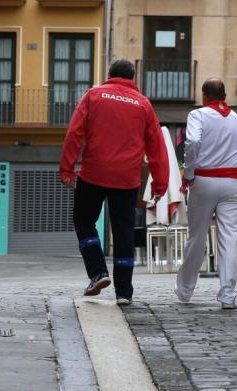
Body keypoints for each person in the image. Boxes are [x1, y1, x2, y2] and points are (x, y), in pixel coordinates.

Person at [60, 59, 169, 305]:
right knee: (123, 231)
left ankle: (98, 272)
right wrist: (160, 183)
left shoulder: (93, 96)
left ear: (108, 74)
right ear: (133, 78)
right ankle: (124, 293)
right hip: (127, 178)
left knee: (84, 219)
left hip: (93, 173)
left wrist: (67, 168)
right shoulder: (144, 104)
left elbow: (74, 133)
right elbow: (156, 147)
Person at [175, 78, 237, 310]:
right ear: (224, 96)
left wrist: (189, 171)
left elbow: (193, 141)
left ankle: (185, 290)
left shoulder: (198, 115)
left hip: (205, 179)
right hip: (233, 181)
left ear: (204, 95)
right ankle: (227, 295)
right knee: (229, 238)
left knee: (197, 236)